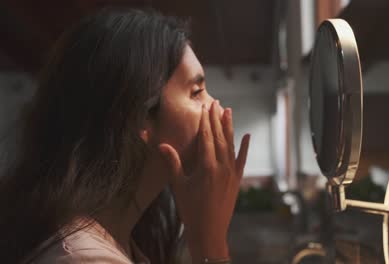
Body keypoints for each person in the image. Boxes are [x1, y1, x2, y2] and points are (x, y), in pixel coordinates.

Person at [0, 8, 250, 264]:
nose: (218, 108)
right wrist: (211, 247)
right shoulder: (85, 259)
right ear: (138, 115)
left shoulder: (117, 240)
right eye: (196, 92)